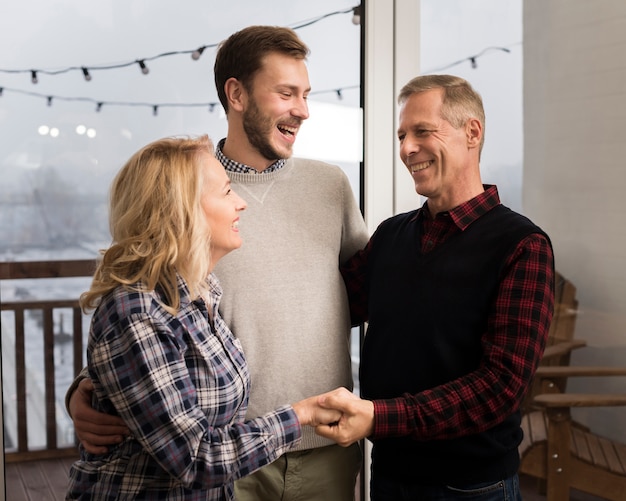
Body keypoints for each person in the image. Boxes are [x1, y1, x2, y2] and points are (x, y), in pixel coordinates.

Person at [66, 26, 369, 501]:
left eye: (306, 95)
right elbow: (137, 304)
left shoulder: (330, 186)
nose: (303, 110)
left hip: (323, 446)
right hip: (224, 459)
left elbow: (370, 293)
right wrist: (87, 386)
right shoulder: (185, 190)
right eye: (286, 93)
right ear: (237, 94)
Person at [315, 74, 555, 500]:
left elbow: (499, 388)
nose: (407, 148)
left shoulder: (522, 246)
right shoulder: (391, 236)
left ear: (472, 133)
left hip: (472, 487)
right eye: (402, 135)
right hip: (389, 477)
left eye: (423, 131)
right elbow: (330, 309)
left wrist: (378, 418)